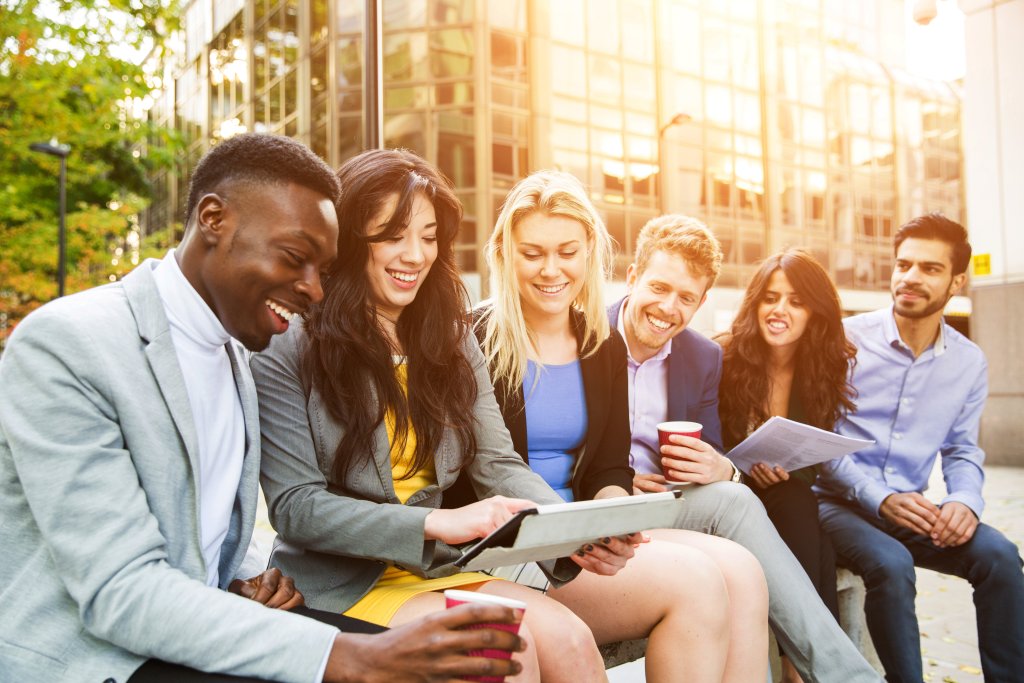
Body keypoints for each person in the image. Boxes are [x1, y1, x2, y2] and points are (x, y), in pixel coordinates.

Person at [0, 133, 529, 683]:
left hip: (207, 624)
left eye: (322, 269)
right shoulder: (67, 344)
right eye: (295, 259)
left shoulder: (236, 348)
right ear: (213, 219)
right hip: (98, 657)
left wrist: (252, 573)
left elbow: (204, 532)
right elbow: (120, 590)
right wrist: (351, 657)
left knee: (469, 669)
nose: (316, 291)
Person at [251, 149, 634, 683]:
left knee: (571, 641)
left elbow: (499, 463)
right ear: (349, 237)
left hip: (435, 568)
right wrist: (438, 522)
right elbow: (296, 507)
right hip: (344, 581)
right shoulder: (289, 343)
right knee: (503, 649)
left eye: (429, 237)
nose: (415, 254)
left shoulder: (450, 335)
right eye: (392, 235)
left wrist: (578, 533)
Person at [463, 170, 769, 682]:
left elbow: (609, 462)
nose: (551, 269)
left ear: (589, 252)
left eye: (567, 252)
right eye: (532, 253)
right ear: (504, 253)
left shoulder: (601, 342)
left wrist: (611, 517)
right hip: (510, 542)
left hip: (583, 531)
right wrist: (575, 532)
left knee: (742, 570)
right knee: (695, 581)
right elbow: (484, 470)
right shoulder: (474, 337)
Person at [610, 214, 882, 683]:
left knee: (770, 506)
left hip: (676, 501)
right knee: (755, 525)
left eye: (686, 297)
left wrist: (720, 466)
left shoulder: (700, 356)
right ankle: (843, 675)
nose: (668, 306)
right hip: (610, 502)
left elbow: (713, 448)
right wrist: (615, 479)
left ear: (701, 302)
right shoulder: (588, 337)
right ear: (632, 277)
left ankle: (838, 675)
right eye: (658, 287)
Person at [815, 213, 1024, 683]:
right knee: (892, 563)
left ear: (956, 282)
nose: (910, 277)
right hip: (834, 504)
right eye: (903, 264)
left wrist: (964, 502)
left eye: (929, 268)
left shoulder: (969, 363)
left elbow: (961, 449)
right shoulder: (845, 341)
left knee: (1001, 557)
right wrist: (879, 497)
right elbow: (821, 441)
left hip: (911, 512)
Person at [717, 249, 855, 682]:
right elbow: (707, 442)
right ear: (755, 303)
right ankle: (811, 672)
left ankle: (804, 669)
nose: (780, 310)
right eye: (771, 298)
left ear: (814, 313)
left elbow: (811, 461)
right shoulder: (723, 358)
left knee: (808, 520)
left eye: (796, 301)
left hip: (784, 494)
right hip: (728, 494)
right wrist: (745, 470)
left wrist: (784, 470)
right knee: (801, 511)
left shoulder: (820, 370)